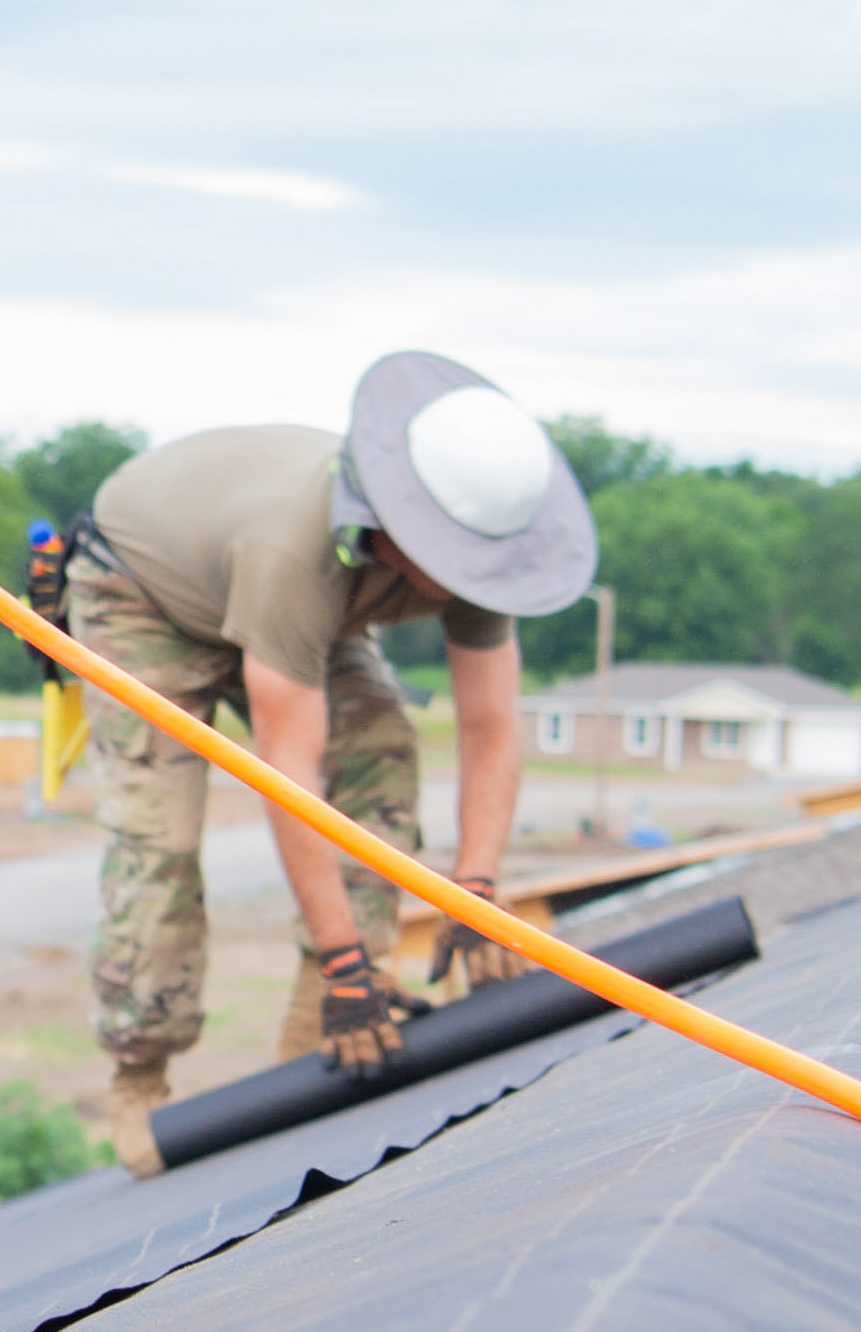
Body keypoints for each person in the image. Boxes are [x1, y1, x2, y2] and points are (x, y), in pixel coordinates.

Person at [68, 354, 598, 1171]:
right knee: (159, 841)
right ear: (399, 528)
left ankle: (323, 1016)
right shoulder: (298, 555)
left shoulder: (479, 555)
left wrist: (479, 891)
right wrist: (345, 948)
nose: (473, 582)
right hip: (146, 592)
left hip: (298, 600)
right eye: (458, 561)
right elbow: (292, 776)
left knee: (381, 752)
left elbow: (490, 727)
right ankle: (142, 1074)